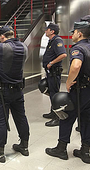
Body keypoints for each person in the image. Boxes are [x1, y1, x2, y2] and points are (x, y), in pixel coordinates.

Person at [0, 26, 30, 163]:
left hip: (3, 91)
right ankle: (24, 146)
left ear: (2, 36)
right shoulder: (24, 47)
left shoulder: (2, 47)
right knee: (20, 117)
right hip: (18, 90)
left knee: (1, 119)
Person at [45, 21, 90, 164]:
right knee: (86, 120)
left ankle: (61, 149)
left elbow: (76, 66)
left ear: (80, 33)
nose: (72, 34)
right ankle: (85, 150)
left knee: (66, 117)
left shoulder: (78, 48)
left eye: (74, 32)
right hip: (89, 90)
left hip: (79, 91)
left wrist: (69, 81)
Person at [42, 23, 67, 127]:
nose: (45, 31)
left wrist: (51, 63)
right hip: (50, 73)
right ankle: (53, 112)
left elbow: (63, 54)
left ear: (52, 31)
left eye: (47, 30)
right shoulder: (51, 41)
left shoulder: (57, 40)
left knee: (55, 94)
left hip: (54, 72)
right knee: (51, 93)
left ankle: (57, 118)